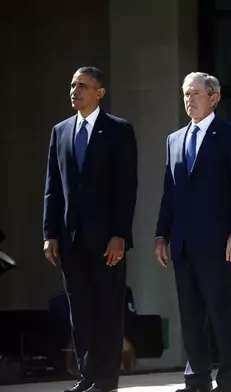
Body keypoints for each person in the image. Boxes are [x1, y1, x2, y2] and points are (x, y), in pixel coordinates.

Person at [43, 66, 138, 392]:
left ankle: (107, 379)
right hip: (71, 240)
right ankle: (87, 376)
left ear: (100, 92)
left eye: (82, 85)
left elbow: (127, 188)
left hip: (107, 240)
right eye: (72, 85)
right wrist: (49, 234)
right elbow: (53, 188)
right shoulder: (61, 131)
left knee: (108, 311)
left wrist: (120, 235)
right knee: (80, 311)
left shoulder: (118, 130)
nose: (75, 90)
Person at [155, 72, 231, 392]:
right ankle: (196, 377)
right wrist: (161, 234)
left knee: (223, 314)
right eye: (185, 93)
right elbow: (170, 192)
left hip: (219, 242)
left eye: (196, 93)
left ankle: (229, 377)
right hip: (183, 243)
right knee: (191, 315)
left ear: (214, 98)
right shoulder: (174, 139)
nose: (189, 99)